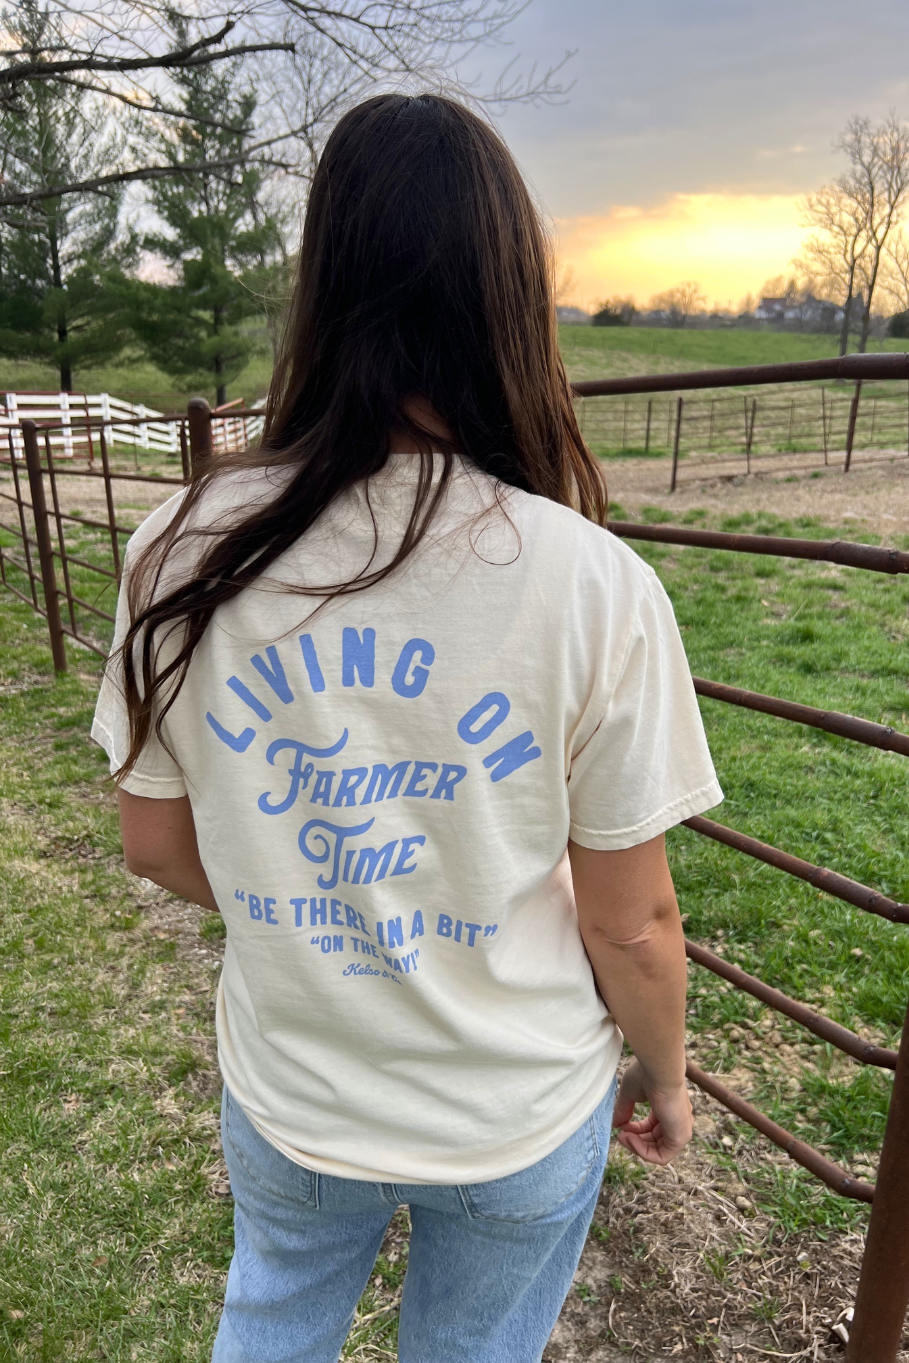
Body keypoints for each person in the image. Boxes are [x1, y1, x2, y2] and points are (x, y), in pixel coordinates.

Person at [92, 92, 723, 1363]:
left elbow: (155, 846)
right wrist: (667, 1075)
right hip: (513, 1111)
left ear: (319, 287)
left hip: (296, 1091)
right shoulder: (592, 582)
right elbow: (634, 921)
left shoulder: (180, 546)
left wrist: (308, 915)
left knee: (271, 1314)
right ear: (509, 301)